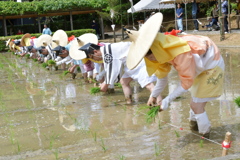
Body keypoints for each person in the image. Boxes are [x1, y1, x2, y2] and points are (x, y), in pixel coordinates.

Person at [125, 13, 225, 138]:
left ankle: (205, 137)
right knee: (194, 101)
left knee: (196, 105)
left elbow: (186, 83)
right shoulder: (162, 51)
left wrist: (167, 100)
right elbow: (162, 78)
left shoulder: (178, 50)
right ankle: (194, 129)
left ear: (156, 48)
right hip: (199, 66)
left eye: (151, 56)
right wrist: (154, 95)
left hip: (211, 64)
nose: (152, 59)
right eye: (148, 57)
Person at [78, 42, 160, 104]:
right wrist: (106, 82)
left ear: (95, 52)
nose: (95, 59)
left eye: (93, 57)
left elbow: (112, 70)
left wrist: (105, 84)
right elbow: (112, 68)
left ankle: (160, 103)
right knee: (124, 82)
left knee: (149, 85)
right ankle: (129, 101)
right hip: (130, 63)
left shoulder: (107, 52)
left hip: (138, 62)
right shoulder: (107, 49)